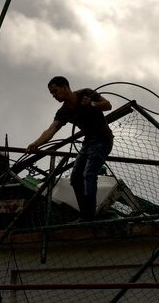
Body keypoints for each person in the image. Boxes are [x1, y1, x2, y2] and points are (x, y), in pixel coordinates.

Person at [27, 76, 113, 220]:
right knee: (75, 178)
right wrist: (36, 143)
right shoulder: (64, 111)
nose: (54, 96)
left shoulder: (86, 93)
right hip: (88, 143)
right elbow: (51, 129)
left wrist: (91, 103)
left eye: (55, 91)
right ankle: (85, 212)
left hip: (103, 140)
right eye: (52, 93)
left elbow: (108, 105)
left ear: (65, 87)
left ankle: (90, 214)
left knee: (89, 174)